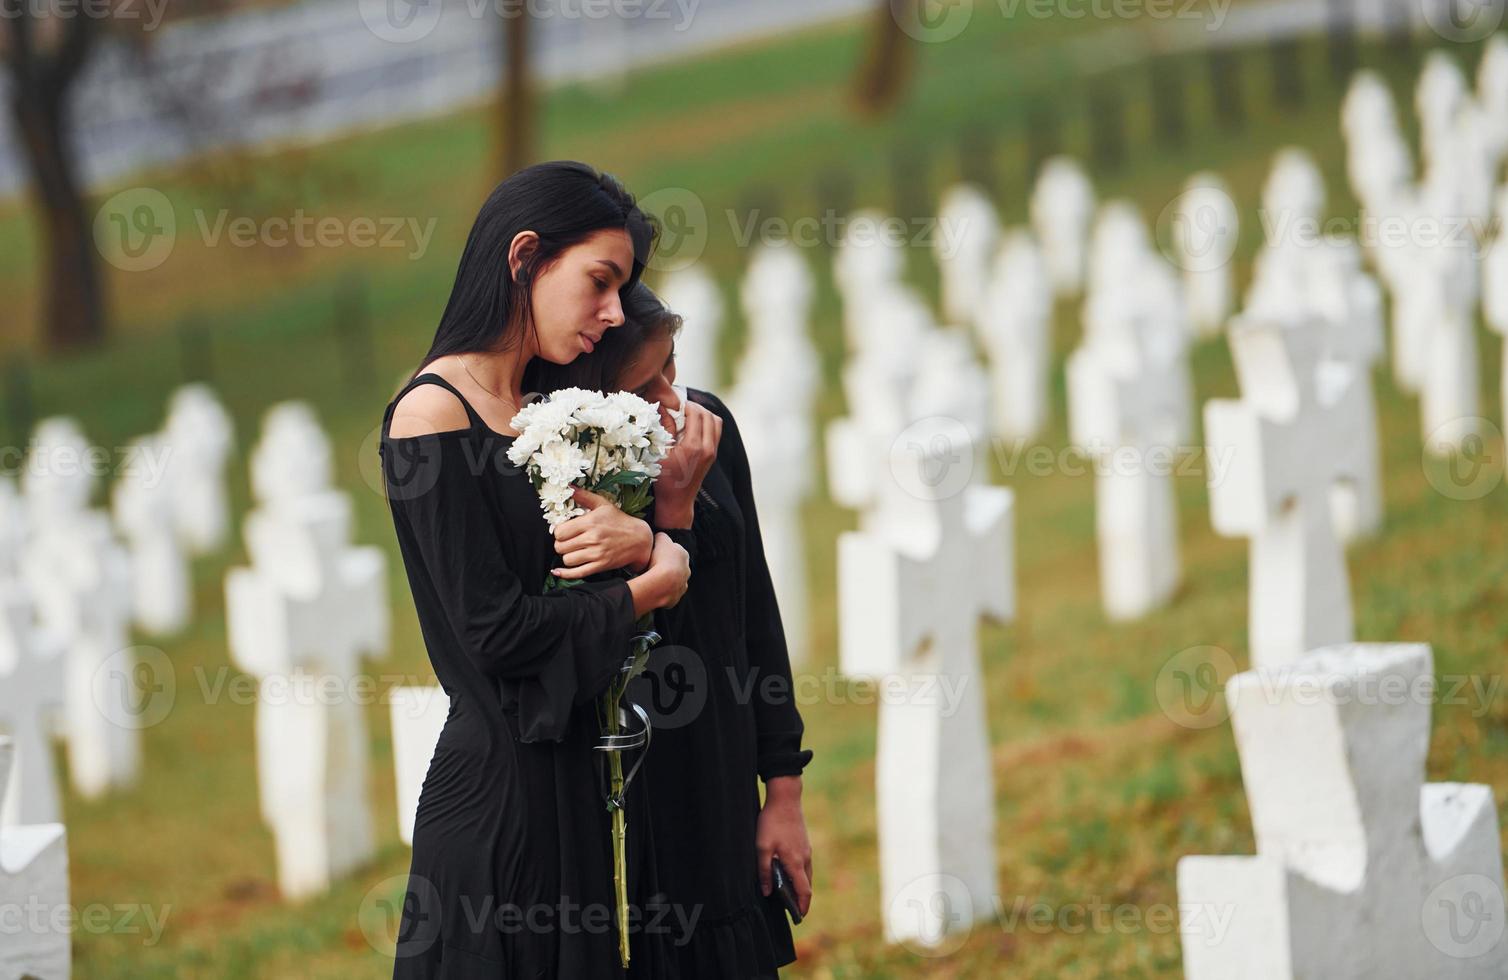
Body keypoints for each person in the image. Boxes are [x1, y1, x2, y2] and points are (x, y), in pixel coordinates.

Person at [379, 161, 691, 978]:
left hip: (576, 785)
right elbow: (493, 632)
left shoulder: (549, 409)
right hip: (498, 810)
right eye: (600, 280)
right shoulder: (429, 415)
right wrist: (647, 588)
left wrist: (644, 541)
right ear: (524, 257)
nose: (614, 311)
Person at [528, 282, 815, 978]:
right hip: (644, 798)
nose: (671, 400)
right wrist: (672, 513)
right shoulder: (576, 476)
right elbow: (642, 653)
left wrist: (783, 792)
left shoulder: (709, 428)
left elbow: (755, 618)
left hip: (723, 772)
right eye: (641, 387)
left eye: (672, 367)